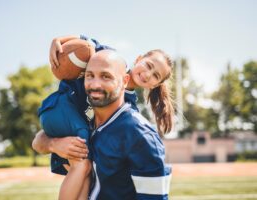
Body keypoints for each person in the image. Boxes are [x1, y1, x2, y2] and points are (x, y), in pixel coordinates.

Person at [33, 36, 174, 199]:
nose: (96, 84)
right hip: (61, 109)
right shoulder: (106, 57)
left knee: (82, 166)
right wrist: (57, 41)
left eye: (106, 76)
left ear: (154, 85)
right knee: (81, 165)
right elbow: (38, 141)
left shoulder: (135, 129)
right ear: (139, 59)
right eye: (90, 75)